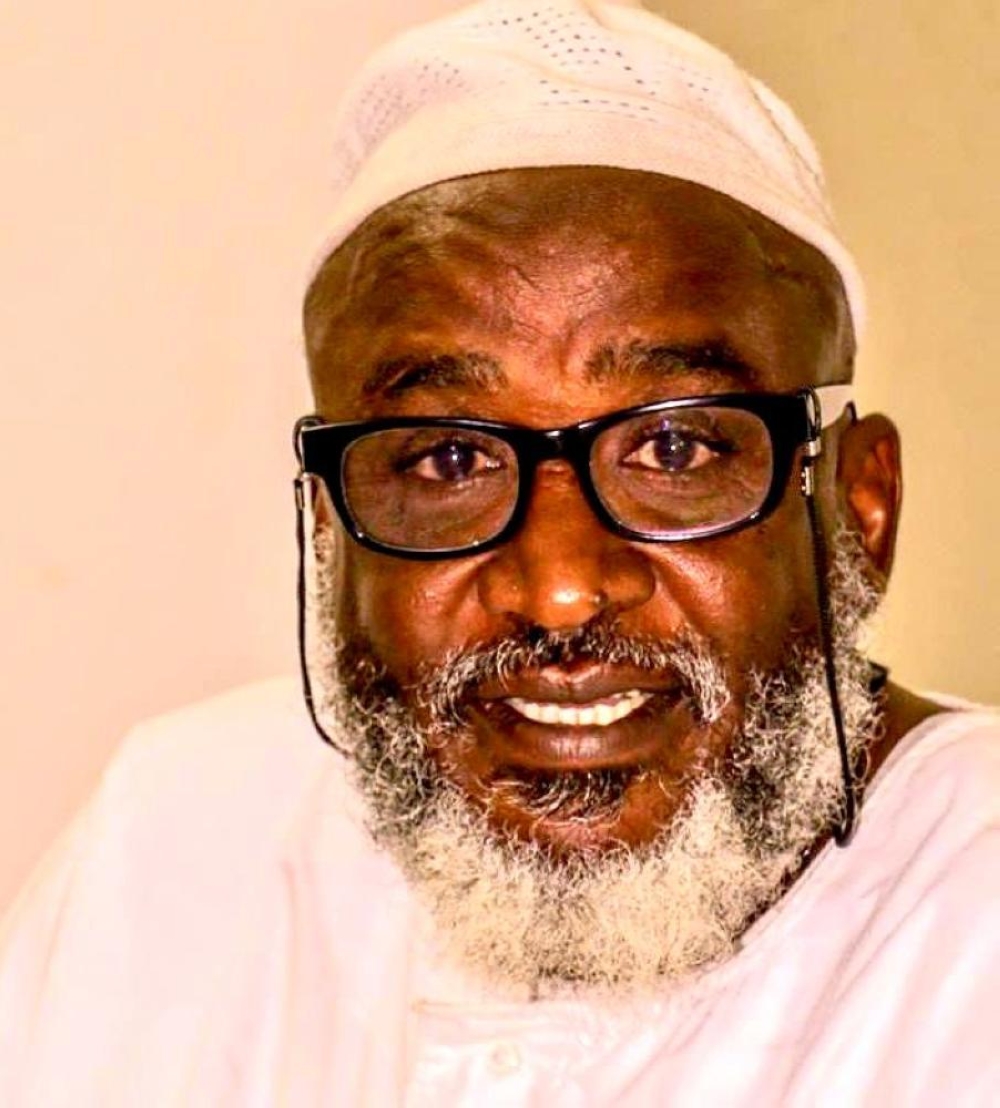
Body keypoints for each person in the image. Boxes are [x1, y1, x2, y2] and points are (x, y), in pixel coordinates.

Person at [1, 1, 997, 1104]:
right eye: (447, 460)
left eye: (672, 448)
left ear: (857, 510)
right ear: (330, 528)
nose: (560, 587)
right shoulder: (180, 835)